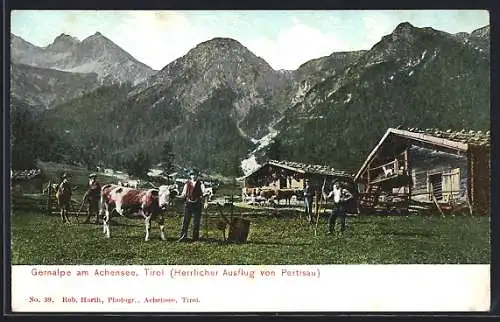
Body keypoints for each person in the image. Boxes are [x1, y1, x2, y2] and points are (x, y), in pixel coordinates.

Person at [177, 169, 208, 242]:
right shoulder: (187, 184)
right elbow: (183, 195)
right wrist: (176, 196)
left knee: (196, 222)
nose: (193, 176)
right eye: (192, 175)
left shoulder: (201, 184)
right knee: (186, 221)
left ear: (197, 176)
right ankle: (183, 237)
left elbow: (205, 194)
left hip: (197, 204)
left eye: (195, 175)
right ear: (190, 176)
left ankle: (195, 238)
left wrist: (206, 202)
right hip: (188, 204)